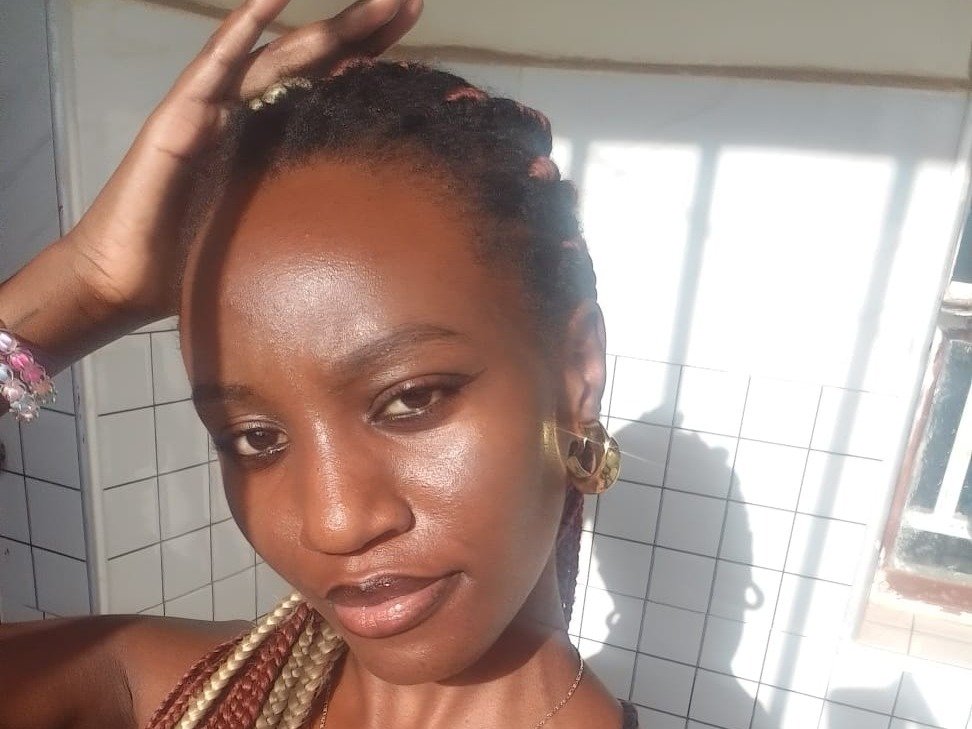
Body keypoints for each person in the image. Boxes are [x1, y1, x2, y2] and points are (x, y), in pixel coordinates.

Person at [0, 0, 636, 726]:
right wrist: (82, 289)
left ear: (577, 372)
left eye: (411, 399)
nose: (333, 523)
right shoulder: (155, 690)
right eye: (255, 438)